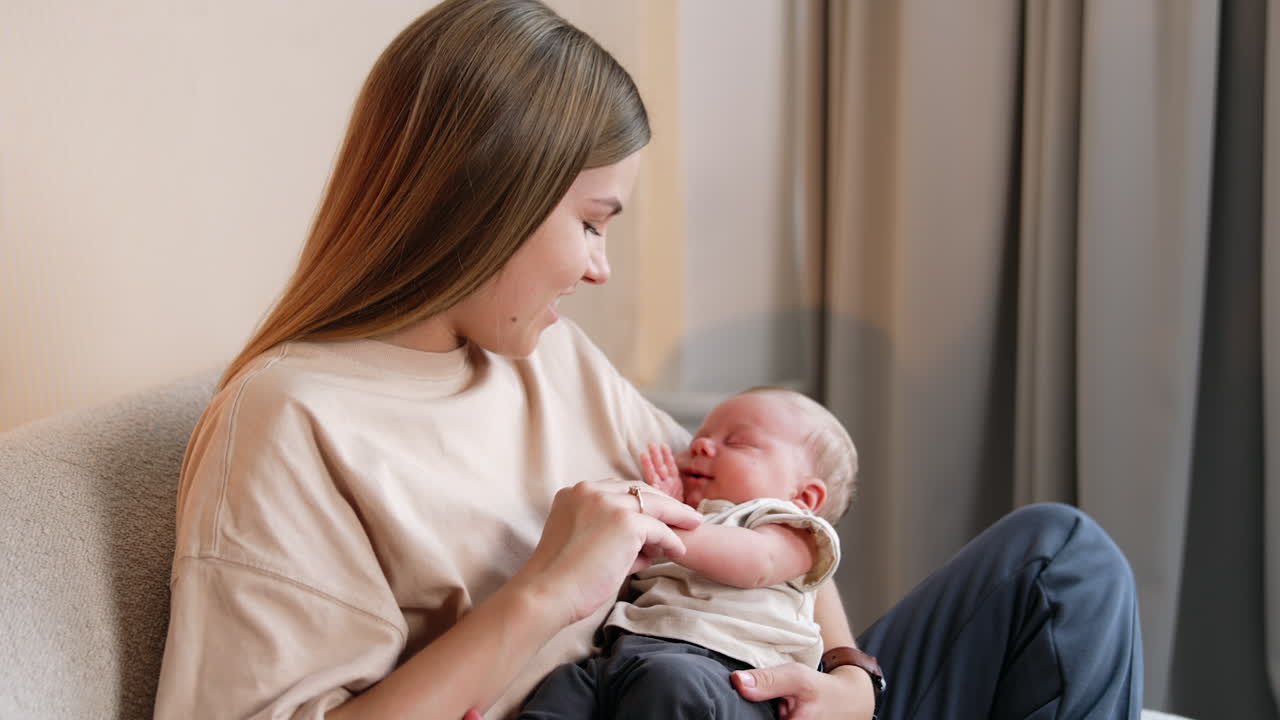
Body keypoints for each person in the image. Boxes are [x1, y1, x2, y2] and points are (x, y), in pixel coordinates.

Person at [153, 1, 1144, 719]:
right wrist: (542, 594)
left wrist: (847, 677)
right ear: (484, 200)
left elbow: (770, 512)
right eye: (590, 222)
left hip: (744, 688)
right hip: (639, 702)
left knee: (1061, 561)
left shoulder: (552, 361)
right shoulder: (291, 423)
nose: (597, 268)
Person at [519, 388, 857, 720]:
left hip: (725, 673)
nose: (701, 445)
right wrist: (669, 507)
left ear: (805, 496)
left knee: (671, 684)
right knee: (564, 689)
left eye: (738, 442)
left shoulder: (791, 527)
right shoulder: (691, 518)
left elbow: (758, 563)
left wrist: (663, 523)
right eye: (701, 435)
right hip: (625, 655)